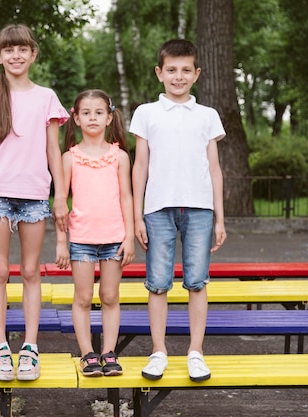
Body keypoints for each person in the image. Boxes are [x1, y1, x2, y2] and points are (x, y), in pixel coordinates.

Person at [0, 24, 69, 382]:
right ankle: (1, 347)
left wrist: (61, 197)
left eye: (22, 49)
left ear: (33, 54)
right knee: (0, 271)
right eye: (9, 50)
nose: (16, 55)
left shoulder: (46, 97)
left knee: (31, 271)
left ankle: (31, 347)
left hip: (35, 194)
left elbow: (54, 150)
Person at [130, 39, 226, 382]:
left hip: (200, 209)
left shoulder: (207, 116)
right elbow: (140, 166)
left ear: (197, 74)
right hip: (157, 210)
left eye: (186, 70)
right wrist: (136, 215)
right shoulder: (146, 113)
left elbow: (214, 168)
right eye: (171, 70)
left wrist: (220, 217)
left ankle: (196, 353)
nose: (178, 76)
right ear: (160, 73)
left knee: (197, 283)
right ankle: (159, 352)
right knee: (157, 284)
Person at [55, 89, 135, 377]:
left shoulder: (120, 157)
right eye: (86, 112)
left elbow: (127, 197)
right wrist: (62, 242)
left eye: (99, 112)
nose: (92, 117)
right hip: (81, 240)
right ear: (75, 118)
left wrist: (128, 237)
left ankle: (109, 353)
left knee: (111, 296)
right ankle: (88, 353)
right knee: (84, 297)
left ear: (109, 117)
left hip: (114, 239)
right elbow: (61, 203)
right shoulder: (69, 158)